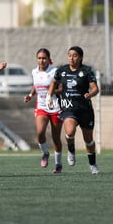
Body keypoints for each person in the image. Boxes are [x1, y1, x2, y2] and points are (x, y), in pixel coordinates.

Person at [47, 46, 100, 174]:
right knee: (69, 132)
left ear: (80, 57)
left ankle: (92, 164)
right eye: (69, 55)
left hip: (84, 110)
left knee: (89, 139)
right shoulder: (62, 70)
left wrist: (90, 94)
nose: (71, 58)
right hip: (68, 107)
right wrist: (49, 96)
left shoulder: (86, 71)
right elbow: (54, 83)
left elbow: (95, 88)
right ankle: (71, 149)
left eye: (75, 55)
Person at [24, 48, 63, 173]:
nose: (41, 60)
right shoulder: (34, 72)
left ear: (49, 59)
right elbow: (36, 85)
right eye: (39, 58)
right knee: (40, 132)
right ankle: (45, 153)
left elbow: (61, 88)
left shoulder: (54, 71)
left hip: (54, 106)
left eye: (44, 58)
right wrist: (30, 95)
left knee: (56, 137)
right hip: (41, 106)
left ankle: (58, 164)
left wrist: (51, 93)